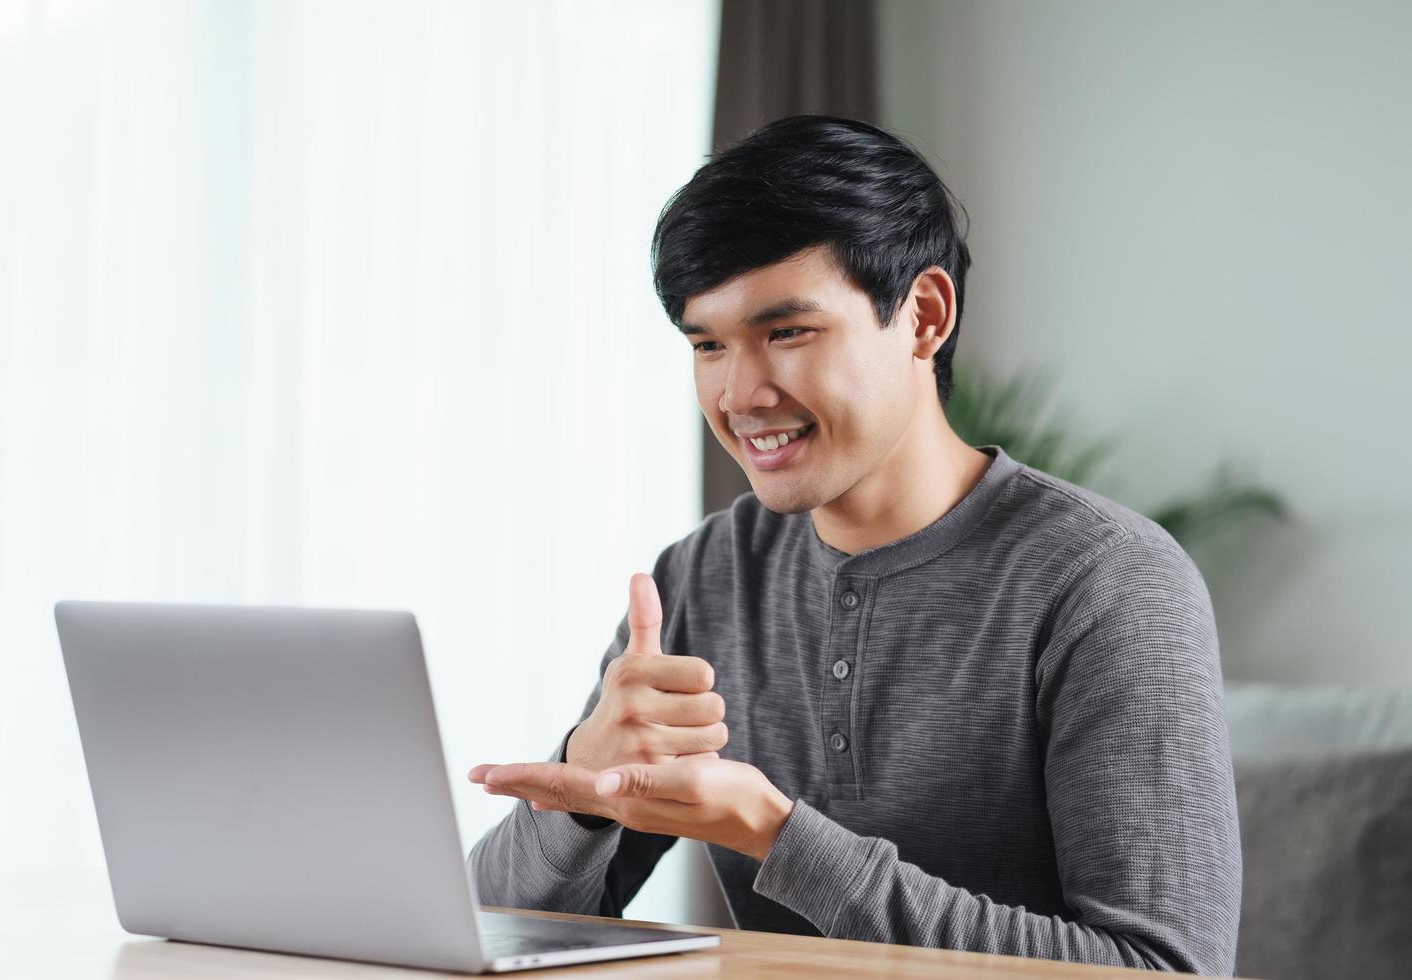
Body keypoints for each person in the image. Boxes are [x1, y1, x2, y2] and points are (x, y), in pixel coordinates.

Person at [466, 115, 1241, 975]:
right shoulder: (703, 579)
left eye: (787, 332)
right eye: (707, 344)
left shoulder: (1107, 582)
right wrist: (584, 786)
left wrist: (777, 835)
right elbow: (486, 929)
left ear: (923, 317)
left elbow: (1166, 968)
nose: (739, 393)